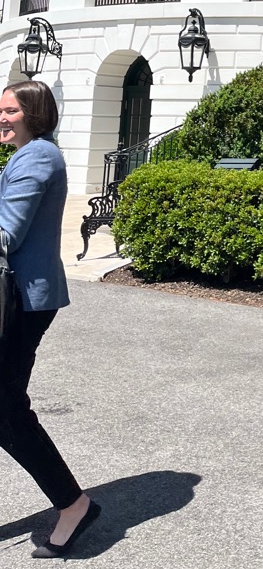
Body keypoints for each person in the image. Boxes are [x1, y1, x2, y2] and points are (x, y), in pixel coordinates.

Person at [0, 80, 101, 560]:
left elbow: (7, 233)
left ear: (34, 113)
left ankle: (73, 504)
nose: (2, 117)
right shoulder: (28, 155)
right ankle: (72, 501)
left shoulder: (38, 156)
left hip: (20, 302)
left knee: (6, 410)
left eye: (10, 110)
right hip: (17, 297)